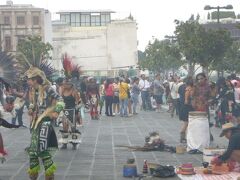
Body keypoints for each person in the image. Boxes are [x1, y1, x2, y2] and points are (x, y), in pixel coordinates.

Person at [25, 67, 62, 180]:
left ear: (35, 79)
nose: (28, 81)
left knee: (42, 150)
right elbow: (33, 103)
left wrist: (56, 111)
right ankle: (33, 175)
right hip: (35, 123)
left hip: (45, 122)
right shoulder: (34, 90)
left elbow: (60, 99)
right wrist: (31, 108)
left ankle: (49, 176)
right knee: (33, 152)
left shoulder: (48, 89)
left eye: (29, 79)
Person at [27, 102, 65, 180]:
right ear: (52, 112)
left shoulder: (43, 119)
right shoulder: (45, 119)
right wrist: (31, 109)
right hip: (38, 146)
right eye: (57, 113)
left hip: (36, 146)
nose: (57, 116)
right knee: (44, 163)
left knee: (39, 163)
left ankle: (37, 176)